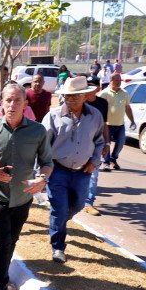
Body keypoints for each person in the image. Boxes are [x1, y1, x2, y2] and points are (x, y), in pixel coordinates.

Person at [0, 84, 53, 290]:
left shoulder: (37, 131)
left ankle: (2, 275)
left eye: (17, 100)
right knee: (1, 243)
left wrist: (42, 180)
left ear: (25, 104)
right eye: (8, 100)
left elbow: (47, 162)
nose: (12, 105)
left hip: (23, 198)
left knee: (11, 241)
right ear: (1, 103)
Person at [41, 76, 105, 263]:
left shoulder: (95, 116)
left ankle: (58, 222)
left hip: (83, 171)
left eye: (75, 96)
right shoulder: (53, 116)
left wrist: (95, 161)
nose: (70, 100)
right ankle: (58, 247)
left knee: (77, 205)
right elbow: (43, 145)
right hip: (58, 170)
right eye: (67, 96)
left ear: (85, 95)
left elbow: (100, 141)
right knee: (59, 208)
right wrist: (42, 171)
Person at [82, 76, 111, 216]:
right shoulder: (79, 101)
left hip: (96, 145)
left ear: (98, 88)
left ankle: (88, 203)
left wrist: (107, 143)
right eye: (87, 85)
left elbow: (105, 124)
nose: (89, 88)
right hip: (78, 145)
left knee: (93, 174)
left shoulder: (103, 103)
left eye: (92, 85)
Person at [98, 73, 136, 171]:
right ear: (111, 81)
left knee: (120, 143)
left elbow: (127, 108)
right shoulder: (104, 93)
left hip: (120, 124)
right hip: (107, 125)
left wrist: (132, 120)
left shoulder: (125, 93)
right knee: (107, 144)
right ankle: (106, 163)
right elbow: (98, 108)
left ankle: (113, 158)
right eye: (116, 81)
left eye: (120, 81)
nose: (119, 83)